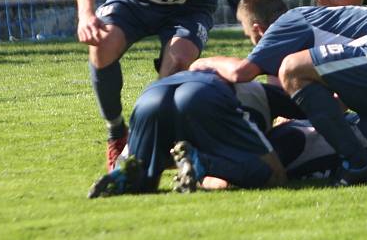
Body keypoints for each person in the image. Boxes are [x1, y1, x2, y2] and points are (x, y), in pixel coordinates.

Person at [188, 0, 367, 186]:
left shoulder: (289, 21)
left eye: (252, 39)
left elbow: (242, 72)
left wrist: (205, 62)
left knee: (291, 68)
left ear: (259, 30)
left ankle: (358, 165)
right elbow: (335, 106)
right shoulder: (327, 29)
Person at [76, 0, 252, 171]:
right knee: (101, 46)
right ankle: (116, 133)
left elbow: (247, 3)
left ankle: (151, 140)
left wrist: (268, 52)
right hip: (133, 2)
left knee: (178, 60)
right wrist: (87, 15)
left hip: (189, 12)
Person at [87, 71, 302, 197]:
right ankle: (203, 163)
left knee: (142, 181)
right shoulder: (260, 91)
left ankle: (125, 175)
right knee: (273, 175)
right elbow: (309, 106)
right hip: (204, 94)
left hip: (152, 94)